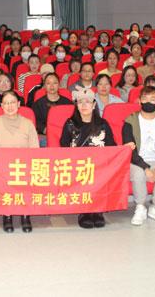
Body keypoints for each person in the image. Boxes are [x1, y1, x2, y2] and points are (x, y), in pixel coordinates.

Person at [60, 88, 116, 229]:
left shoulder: (103, 124)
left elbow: (112, 146)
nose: (84, 105)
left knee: (99, 172)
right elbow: (63, 146)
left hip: (99, 166)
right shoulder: (70, 124)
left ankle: (97, 210)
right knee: (84, 172)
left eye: (88, 102)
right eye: (80, 102)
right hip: (77, 166)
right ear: (76, 105)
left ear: (94, 104)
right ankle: (84, 211)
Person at [0, 91, 39, 233]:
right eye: (6, 103)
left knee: (25, 177)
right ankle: (7, 215)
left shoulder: (28, 124)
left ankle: (25, 215)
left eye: (13, 102)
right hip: (2, 166)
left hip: (23, 166)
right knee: (4, 179)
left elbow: (35, 149)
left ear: (19, 104)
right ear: (2, 106)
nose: (10, 106)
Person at [122, 87, 155, 226]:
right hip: (136, 160)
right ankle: (140, 207)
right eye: (144, 99)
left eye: (152, 99)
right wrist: (145, 168)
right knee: (139, 175)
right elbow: (129, 149)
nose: (148, 102)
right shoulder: (130, 121)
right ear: (139, 101)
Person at [32, 73, 72, 142]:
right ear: (44, 85)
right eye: (48, 83)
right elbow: (36, 121)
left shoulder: (67, 103)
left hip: (65, 135)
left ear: (59, 85)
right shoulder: (38, 104)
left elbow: (72, 120)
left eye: (55, 83)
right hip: (45, 136)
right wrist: (46, 130)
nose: (52, 86)